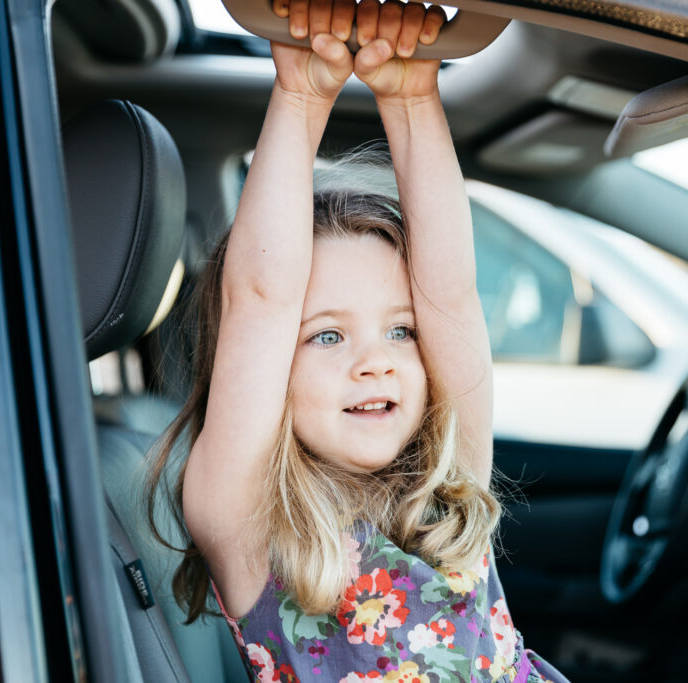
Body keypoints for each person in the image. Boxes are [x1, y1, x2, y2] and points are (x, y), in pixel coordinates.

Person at [145, 1, 568, 680]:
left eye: (402, 331)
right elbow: (262, 298)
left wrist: (411, 98)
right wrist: (302, 94)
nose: (375, 361)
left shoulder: (449, 487)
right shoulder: (248, 519)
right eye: (328, 335)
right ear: (268, 371)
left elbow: (449, 294)